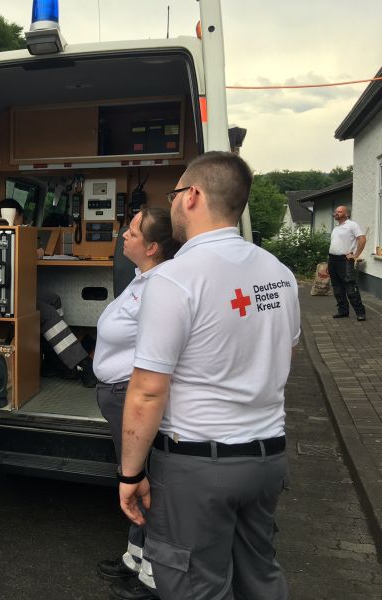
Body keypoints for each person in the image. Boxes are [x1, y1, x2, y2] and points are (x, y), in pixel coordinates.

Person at [119, 151, 300, 600]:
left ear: (194, 196)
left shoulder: (174, 279)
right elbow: (283, 353)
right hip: (267, 461)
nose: (174, 202)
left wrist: (130, 473)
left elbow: (146, 391)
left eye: (176, 192)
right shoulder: (279, 274)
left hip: (200, 465)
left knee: (194, 584)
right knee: (258, 575)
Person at [93, 208, 179, 600]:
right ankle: (135, 556)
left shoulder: (159, 286)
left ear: (153, 246)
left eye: (131, 232)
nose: (122, 237)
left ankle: (151, 573)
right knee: (137, 476)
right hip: (117, 394)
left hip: (131, 395)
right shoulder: (141, 278)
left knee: (146, 482)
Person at [0, 197, 97, 387]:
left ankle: (53, 358)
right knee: (48, 313)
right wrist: (36, 253)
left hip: (11, 292)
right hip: (2, 297)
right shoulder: (5, 233)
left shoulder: (10, 233)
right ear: (16, 216)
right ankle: (81, 364)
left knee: (53, 299)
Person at [328, 205, 366, 321]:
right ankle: (343, 311)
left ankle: (360, 312)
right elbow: (334, 245)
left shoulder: (352, 225)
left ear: (346, 214)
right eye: (335, 211)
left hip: (344, 261)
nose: (336, 213)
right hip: (333, 260)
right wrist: (328, 262)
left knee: (350, 286)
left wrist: (355, 255)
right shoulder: (336, 228)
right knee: (337, 287)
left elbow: (362, 239)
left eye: (339, 211)